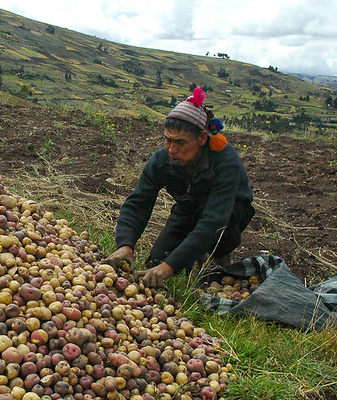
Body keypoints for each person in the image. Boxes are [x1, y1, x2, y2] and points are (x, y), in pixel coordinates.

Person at [106, 87, 254, 287]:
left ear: (202, 138)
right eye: (168, 140)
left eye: (180, 142)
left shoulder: (225, 161)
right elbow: (138, 203)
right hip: (189, 206)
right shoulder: (161, 160)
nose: (172, 149)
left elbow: (213, 220)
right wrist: (125, 244)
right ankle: (192, 251)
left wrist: (170, 266)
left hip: (229, 211)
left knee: (215, 241)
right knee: (157, 262)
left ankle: (218, 259)